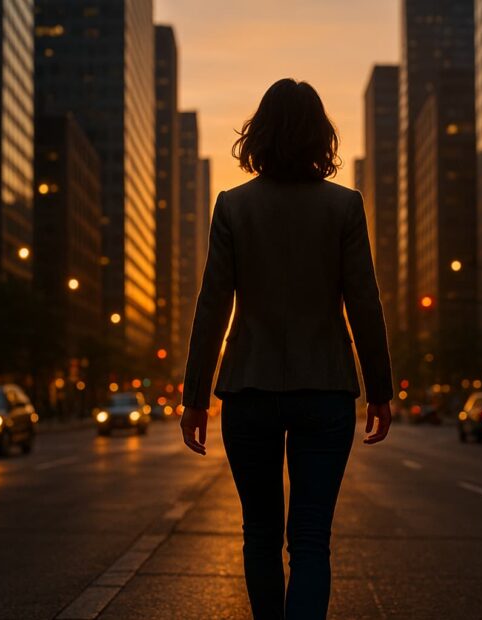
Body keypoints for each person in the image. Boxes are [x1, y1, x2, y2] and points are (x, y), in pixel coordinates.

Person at [180, 78, 393, 620]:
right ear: (321, 137)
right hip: (325, 389)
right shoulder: (345, 207)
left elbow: (212, 308)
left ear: (260, 136)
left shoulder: (233, 207)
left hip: (248, 390)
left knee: (259, 535)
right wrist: (381, 392)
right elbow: (364, 304)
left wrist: (195, 398)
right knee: (311, 541)